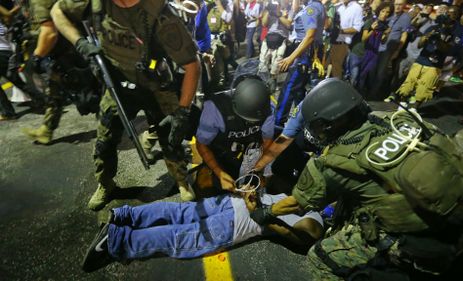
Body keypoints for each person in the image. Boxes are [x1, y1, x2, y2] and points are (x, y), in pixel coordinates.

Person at [250, 79, 463, 280]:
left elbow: (298, 204)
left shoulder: (332, 161)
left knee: (320, 257)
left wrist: (266, 213)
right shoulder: (396, 118)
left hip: (421, 246)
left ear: (329, 124)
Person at [51, 0, 201, 210]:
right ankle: (106, 184)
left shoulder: (160, 14)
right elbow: (57, 11)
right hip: (116, 84)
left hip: (156, 86)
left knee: (171, 137)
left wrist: (183, 112)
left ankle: (182, 180)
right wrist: (80, 43)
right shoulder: (95, 3)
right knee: (104, 142)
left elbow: (192, 64)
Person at [80, 190, 324, 272]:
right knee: (181, 237)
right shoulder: (316, 217)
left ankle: (123, 217)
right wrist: (260, 213)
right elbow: (302, 237)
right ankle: (116, 241)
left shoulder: (301, 188)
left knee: (179, 212)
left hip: (232, 202)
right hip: (239, 220)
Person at [20, 0, 90, 144]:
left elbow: (50, 32)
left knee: (91, 94)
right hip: (63, 53)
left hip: (68, 53)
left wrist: (36, 58)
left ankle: (116, 124)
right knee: (54, 92)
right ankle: (47, 129)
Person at [195, 76, 274, 194]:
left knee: (261, 187)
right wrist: (219, 172)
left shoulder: (267, 107)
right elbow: (202, 144)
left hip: (251, 152)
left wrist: (259, 169)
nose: (251, 123)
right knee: (210, 190)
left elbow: (267, 140)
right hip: (222, 153)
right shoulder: (214, 109)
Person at [387, 14, 454, 109]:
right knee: (408, 84)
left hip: (435, 65)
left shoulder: (452, 33)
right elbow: (419, 45)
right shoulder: (432, 28)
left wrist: (439, 40)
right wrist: (426, 37)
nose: (447, 21)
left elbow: (446, 49)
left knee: (424, 88)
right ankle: (402, 105)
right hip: (421, 60)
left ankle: (414, 108)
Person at [274, 0, 324, 126]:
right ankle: (302, 119)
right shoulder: (316, 7)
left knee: (289, 88)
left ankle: (278, 122)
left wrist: (290, 58)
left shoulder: (310, 9)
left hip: (304, 55)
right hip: (307, 53)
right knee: (298, 90)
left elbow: (310, 35)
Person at [369, 0, 411, 99]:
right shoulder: (389, 13)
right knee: (371, 69)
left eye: (400, 5)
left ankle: (373, 93)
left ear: (404, 5)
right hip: (377, 45)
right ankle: (369, 88)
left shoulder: (406, 17)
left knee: (381, 72)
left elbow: (404, 35)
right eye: (396, 4)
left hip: (389, 49)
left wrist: (397, 51)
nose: (397, 6)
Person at [329, 0, 363, 79]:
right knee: (331, 69)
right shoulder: (338, 6)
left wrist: (340, 31)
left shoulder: (357, 8)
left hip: (343, 44)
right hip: (333, 41)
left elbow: (357, 28)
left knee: (337, 72)